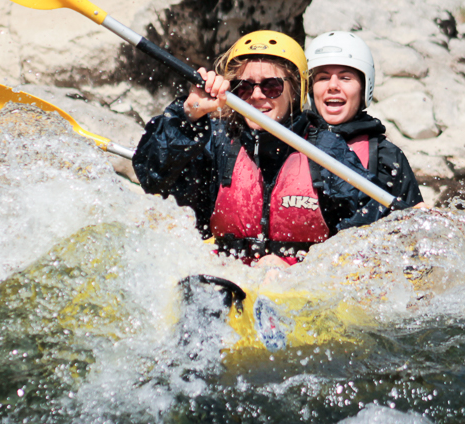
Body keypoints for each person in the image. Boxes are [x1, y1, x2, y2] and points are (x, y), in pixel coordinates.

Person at [132, 30, 308, 265]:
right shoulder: (217, 142)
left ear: (295, 91)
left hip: (298, 288)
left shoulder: (325, 150)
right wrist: (188, 116)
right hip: (229, 282)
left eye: (271, 86)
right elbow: (153, 177)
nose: (256, 95)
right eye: (244, 87)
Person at [289, 30, 424, 241]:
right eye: (323, 78)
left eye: (345, 78)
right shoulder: (288, 142)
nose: (333, 86)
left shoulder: (386, 157)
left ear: (364, 88)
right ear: (310, 89)